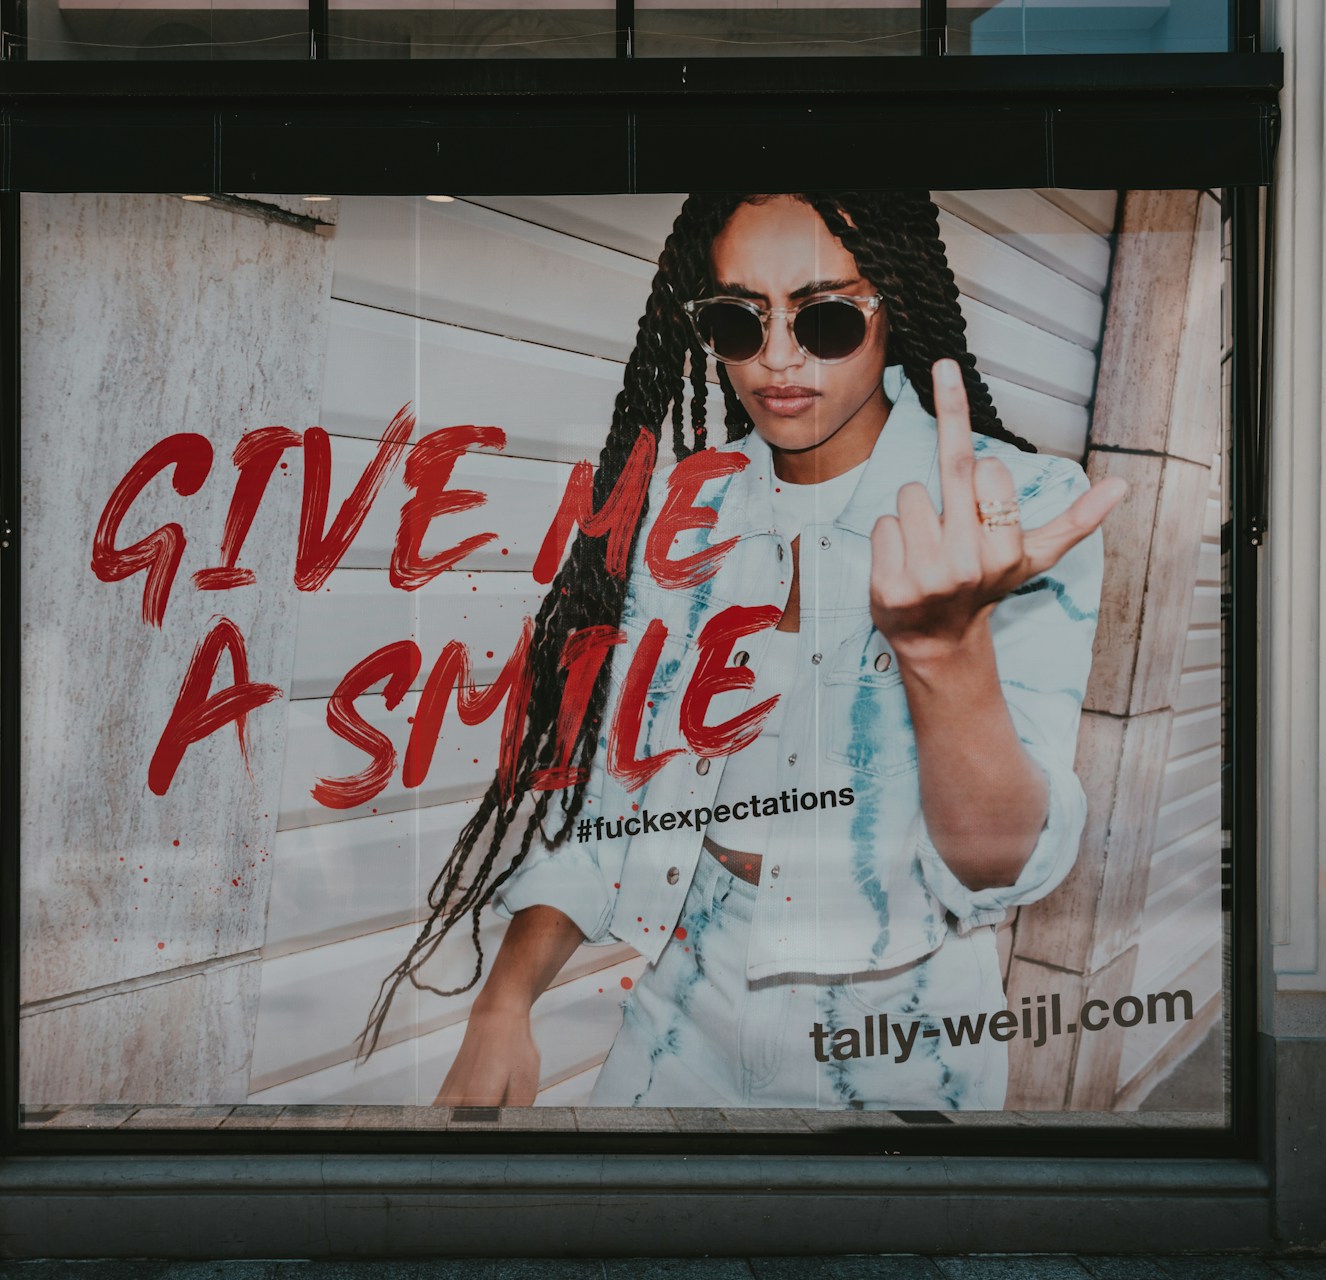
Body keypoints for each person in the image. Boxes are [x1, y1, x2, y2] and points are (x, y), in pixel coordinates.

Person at [366, 191, 1125, 1110]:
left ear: (898, 309)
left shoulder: (1014, 509)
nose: (775, 358)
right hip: (684, 1010)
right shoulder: (689, 510)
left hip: (902, 1041)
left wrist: (942, 654)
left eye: (827, 315)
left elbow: (1005, 865)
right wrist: (505, 1001)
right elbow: (614, 808)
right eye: (737, 318)